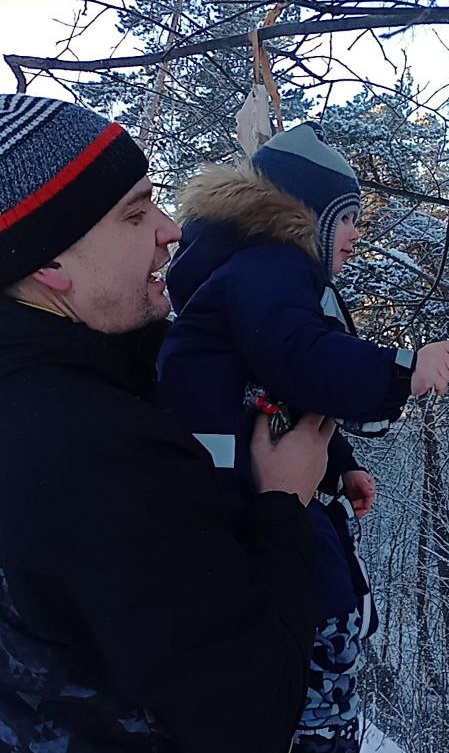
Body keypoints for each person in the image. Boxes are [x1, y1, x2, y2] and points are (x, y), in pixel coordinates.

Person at [0, 94, 335, 753]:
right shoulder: (95, 450)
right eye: (134, 213)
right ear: (48, 263)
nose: (171, 227)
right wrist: (285, 499)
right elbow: (250, 711)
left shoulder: (72, 377)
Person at [156, 122, 449, 752]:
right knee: (317, 609)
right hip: (245, 495)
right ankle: (315, 725)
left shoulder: (253, 276)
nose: (358, 234)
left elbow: (285, 387)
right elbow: (304, 357)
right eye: (346, 217)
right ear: (304, 214)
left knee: (319, 589)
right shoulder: (269, 269)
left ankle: (320, 711)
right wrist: (404, 370)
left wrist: (338, 463)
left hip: (252, 481)